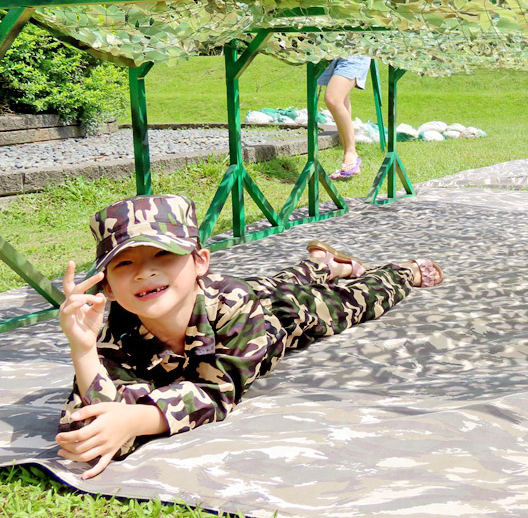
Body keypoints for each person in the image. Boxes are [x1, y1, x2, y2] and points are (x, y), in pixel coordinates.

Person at [55, 194, 443, 478]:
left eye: (164, 255)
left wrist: (138, 418)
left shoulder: (236, 304)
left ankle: (399, 271)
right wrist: (84, 351)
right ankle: (322, 263)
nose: (144, 273)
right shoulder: (114, 326)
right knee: (278, 280)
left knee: (352, 300)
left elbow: (215, 392)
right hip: (247, 290)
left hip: (281, 315)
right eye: (125, 263)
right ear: (106, 286)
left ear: (199, 262)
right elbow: (86, 429)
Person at [318, 0, 372, 179]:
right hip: (337, 48)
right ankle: (349, 160)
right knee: (342, 103)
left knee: (333, 98)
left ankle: (351, 153)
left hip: (357, 47)